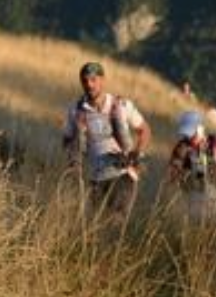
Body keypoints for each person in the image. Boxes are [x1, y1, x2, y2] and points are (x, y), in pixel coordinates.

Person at [62, 61, 151, 216]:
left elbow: (144, 130)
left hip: (123, 176)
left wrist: (136, 153)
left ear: (102, 80)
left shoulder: (121, 105)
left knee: (116, 224)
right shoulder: (75, 111)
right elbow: (66, 141)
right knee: (99, 229)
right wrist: (75, 146)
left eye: (93, 80)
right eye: (84, 81)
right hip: (95, 180)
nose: (89, 85)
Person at [167, 110, 216, 214]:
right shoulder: (181, 149)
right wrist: (182, 174)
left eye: (191, 133)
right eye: (186, 134)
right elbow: (172, 177)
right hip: (192, 203)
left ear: (200, 129)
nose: (188, 137)